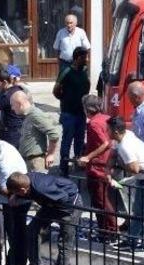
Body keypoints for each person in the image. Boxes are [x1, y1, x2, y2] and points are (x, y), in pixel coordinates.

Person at [6, 171, 81, 265]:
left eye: (16, 193)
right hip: (49, 205)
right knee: (32, 230)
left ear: (23, 190)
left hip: (68, 207)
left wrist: (60, 217)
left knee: (65, 243)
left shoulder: (43, 189)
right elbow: (26, 192)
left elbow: (63, 198)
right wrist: (16, 196)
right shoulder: (26, 180)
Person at [108, 116, 144, 251]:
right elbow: (114, 151)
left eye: (108, 130)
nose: (106, 133)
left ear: (115, 132)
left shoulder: (125, 146)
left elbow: (134, 169)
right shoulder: (128, 135)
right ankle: (132, 241)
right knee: (138, 212)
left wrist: (120, 163)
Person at [77, 94, 117, 244]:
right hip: (104, 165)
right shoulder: (105, 118)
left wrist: (88, 157)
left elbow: (105, 143)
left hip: (97, 167)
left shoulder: (94, 123)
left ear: (87, 109)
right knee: (104, 200)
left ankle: (107, 233)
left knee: (100, 202)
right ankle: (108, 231)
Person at [53, 47, 90, 176]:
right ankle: (64, 167)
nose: (87, 59)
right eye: (84, 57)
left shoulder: (85, 70)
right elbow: (56, 90)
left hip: (81, 112)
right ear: (77, 58)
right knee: (67, 140)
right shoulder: (66, 71)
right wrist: (65, 100)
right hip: (68, 112)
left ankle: (77, 163)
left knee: (79, 140)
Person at [10, 91, 60, 171]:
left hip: (36, 162)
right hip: (29, 161)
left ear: (19, 104)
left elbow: (54, 134)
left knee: (38, 183)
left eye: (12, 105)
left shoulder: (35, 115)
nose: (12, 108)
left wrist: (51, 154)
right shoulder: (27, 115)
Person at [0, 68, 27, 147]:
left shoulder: (8, 95)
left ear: (5, 82)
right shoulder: (16, 89)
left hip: (12, 132)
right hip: (19, 128)